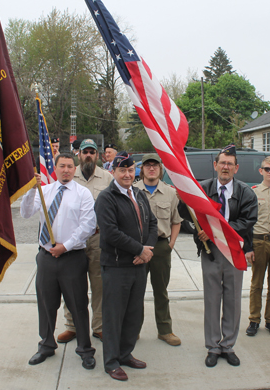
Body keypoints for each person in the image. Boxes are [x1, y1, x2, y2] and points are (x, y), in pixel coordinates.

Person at [178, 144, 257, 368]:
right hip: (210, 253)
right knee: (212, 301)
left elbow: (247, 222)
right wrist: (183, 196)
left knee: (232, 301)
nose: (225, 167)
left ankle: (228, 345)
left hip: (233, 253)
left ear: (236, 168)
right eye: (222, 163)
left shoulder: (246, 193)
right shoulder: (201, 189)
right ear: (215, 165)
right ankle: (213, 346)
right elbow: (189, 215)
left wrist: (217, 232)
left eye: (230, 164)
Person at [20, 153, 96, 370]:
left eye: (70, 166)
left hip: (72, 258)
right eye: (62, 166)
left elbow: (88, 225)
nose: (66, 170)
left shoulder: (83, 194)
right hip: (46, 259)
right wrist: (31, 189)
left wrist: (66, 246)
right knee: (46, 305)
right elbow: (26, 213)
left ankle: (85, 349)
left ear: (75, 169)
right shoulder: (44, 191)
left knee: (78, 306)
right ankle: (45, 345)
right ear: (55, 168)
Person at [95, 151, 158, 381]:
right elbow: (111, 233)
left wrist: (147, 250)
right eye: (122, 170)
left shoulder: (139, 194)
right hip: (116, 266)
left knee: (134, 314)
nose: (127, 174)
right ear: (113, 172)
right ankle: (111, 362)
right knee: (113, 316)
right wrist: (138, 249)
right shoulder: (106, 198)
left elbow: (152, 223)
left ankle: (125, 354)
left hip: (138, 265)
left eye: (131, 170)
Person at [57, 139, 112, 344]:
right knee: (72, 284)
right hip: (73, 242)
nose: (88, 155)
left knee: (99, 285)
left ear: (98, 156)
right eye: (85, 152)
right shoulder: (70, 175)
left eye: (92, 152)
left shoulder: (107, 178)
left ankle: (99, 326)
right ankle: (71, 326)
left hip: (98, 239)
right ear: (78, 154)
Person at [134, 153, 183, 346]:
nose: (151, 168)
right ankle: (133, 330)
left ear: (160, 169)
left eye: (155, 165)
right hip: (137, 247)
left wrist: (170, 244)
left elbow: (176, 221)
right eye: (147, 165)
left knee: (161, 291)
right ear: (142, 169)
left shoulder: (170, 193)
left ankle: (165, 330)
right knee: (136, 291)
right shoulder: (133, 190)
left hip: (161, 247)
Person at [246, 156, 270, 337]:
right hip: (259, 241)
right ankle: (254, 319)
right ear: (260, 171)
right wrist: (248, 247)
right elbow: (247, 221)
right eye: (267, 169)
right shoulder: (253, 192)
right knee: (256, 283)